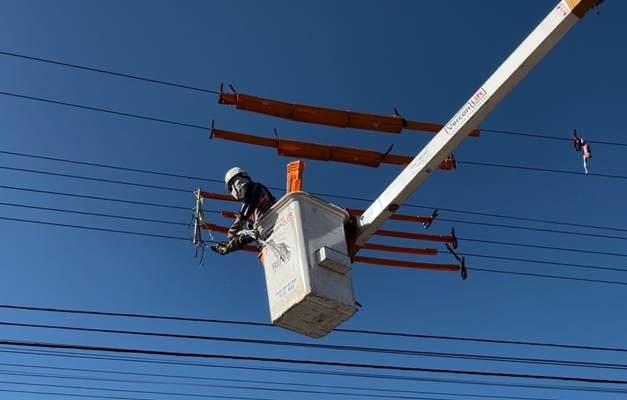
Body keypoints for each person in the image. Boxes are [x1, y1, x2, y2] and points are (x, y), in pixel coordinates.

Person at [210, 167, 277, 255]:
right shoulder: (252, 217)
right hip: (271, 237)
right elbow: (253, 234)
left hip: (278, 225)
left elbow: (249, 199)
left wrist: (237, 224)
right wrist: (230, 245)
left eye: (231, 189)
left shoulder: (255, 188)